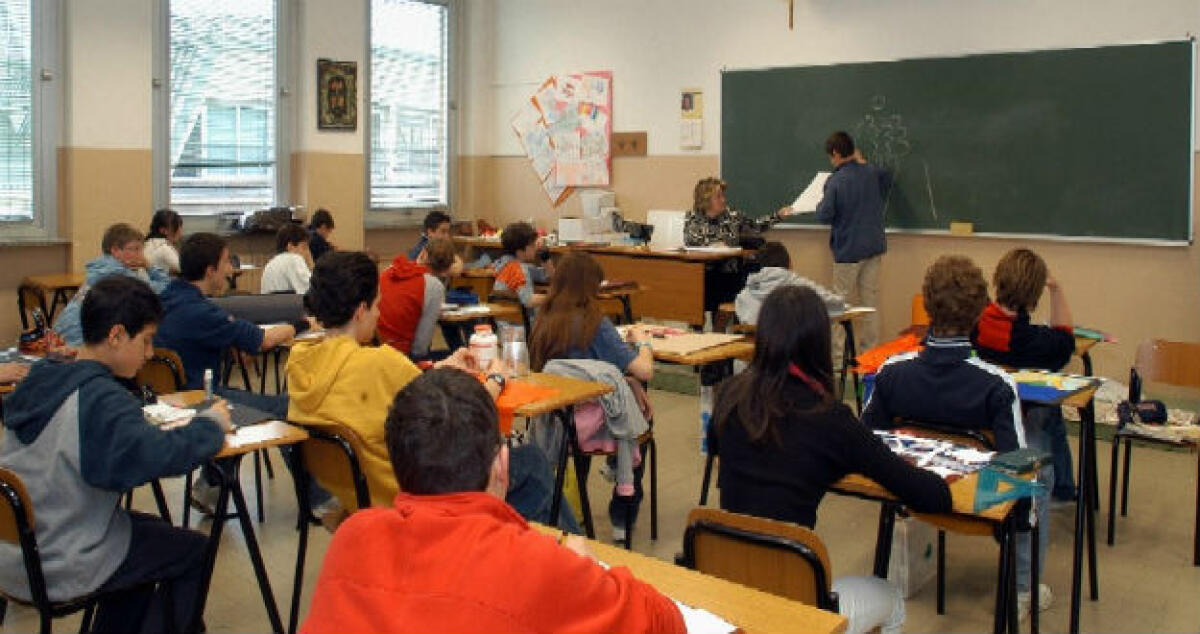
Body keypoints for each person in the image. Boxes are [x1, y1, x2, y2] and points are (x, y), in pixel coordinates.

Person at [301, 368, 685, 633]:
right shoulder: (536, 565)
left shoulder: (352, 538)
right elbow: (666, 622)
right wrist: (588, 573)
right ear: (503, 465)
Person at [711, 284, 951, 633]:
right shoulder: (830, 420)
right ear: (818, 344)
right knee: (890, 599)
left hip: (730, 596)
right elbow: (933, 497)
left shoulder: (731, 395)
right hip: (795, 609)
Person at [0, 275, 232, 632]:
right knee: (192, 551)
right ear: (116, 335)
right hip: (59, 558)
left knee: (150, 535)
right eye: (147, 341)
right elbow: (158, 457)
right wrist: (211, 426)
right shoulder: (101, 398)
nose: (150, 354)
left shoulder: (43, 375)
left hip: (14, 550)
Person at [288, 251, 577, 529]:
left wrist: (440, 368)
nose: (379, 314)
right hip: (414, 493)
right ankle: (570, 564)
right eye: (377, 306)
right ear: (361, 310)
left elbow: (398, 393)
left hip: (358, 498)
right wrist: (496, 381)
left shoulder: (300, 362)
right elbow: (457, 421)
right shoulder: (378, 363)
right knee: (531, 463)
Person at [860, 255, 1051, 618]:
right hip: (974, 505)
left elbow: (866, 441)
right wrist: (1021, 520)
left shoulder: (890, 374)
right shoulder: (997, 386)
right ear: (979, 313)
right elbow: (1015, 474)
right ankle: (1024, 588)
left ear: (928, 306)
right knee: (1040, 471)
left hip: (910, 494)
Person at [154, 233, 330, 517]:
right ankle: (319, 500)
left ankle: (210, 485)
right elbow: (264, 341)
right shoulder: (202, 312)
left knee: (242, 406)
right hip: (199, 401)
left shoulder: (165, 300)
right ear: (210, 270)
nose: (230, 269)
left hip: (166, 403)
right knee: (290, 405)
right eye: (225, 262)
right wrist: (299, 324)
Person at [529, 252, 654, 542]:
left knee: (625, 394)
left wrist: (626, 381)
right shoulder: (595, 323)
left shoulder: (543, 319)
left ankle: (578, 508)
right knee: (641, 422)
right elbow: (645, 370)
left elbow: (571, 372)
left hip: (556, 426)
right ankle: (622, 516)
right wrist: (643, 341)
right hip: (598, 427)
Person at [974, 247, 1078, 502]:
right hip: (1017, 418)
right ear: (1034, 296)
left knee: (1047, 411)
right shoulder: (1031, 342)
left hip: (982, 411)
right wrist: (1057, 289)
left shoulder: (975, 324)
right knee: (1049, 410)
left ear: (998, 279)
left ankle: (1064, 487)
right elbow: (1066, 339)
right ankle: (1062, 489)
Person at [815, 131, 892, 355]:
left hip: (848, 251)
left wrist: (821, 200)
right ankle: (871, 354)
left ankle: (838, 358)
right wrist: (863, 161)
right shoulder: (870, 172)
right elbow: (886, 177)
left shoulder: (835, 180)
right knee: (870, 303)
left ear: (837, 153)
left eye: (831, 156)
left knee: (839, 305)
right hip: (874, 246)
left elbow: (824, 215)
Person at [683, 177, 796, 323]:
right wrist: (712, 245)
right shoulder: (692, 218)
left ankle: (729, 329)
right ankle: (699, 327)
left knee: (738, 286)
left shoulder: (732, 216)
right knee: (695, 290)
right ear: (705, 200)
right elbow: (691, 240)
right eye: (718, 196)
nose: (724, 200)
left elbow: (755, 227)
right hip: (704, 274)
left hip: (731, 273)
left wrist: (778, 216)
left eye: (723, 195)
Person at [54, 223, 172, 347]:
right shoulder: (120, 277)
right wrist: (149, 266)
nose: (141, 254)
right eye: (135, 249)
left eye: (141, 249)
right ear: (115, 250)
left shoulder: (101, 269)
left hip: (61, 337)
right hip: (80, 344)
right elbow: (166, 288)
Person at [377, 238, 456, 359]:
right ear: (446, 270)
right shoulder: (434, 286)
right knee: (453, 354)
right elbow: (420, 347)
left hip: (374, 345)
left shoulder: (391, 270)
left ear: (423, 253)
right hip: (399, 355)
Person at [735, 241, 846, 325]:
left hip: (760, 351)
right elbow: (834, 304)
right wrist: (845, 305)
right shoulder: (802, 287)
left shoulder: (746, 293)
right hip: (795, 351)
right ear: (789, 263)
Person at [492, 221, 553, 308]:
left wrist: (545, 256)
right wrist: (553, 298)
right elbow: (529, 301)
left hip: (502, 319)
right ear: (520, 251)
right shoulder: (519, 269)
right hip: (518, 320)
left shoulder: (503, 263)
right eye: (532, 245)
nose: (535, 248)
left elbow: (548, 277)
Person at [260, 224, 314, 294]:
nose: (307, 252)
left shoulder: (270, 264)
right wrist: (311, 266)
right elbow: (313, 290)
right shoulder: (294, 259)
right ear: (290, 246)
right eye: (304, 247)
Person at [144, 208, 183, 275]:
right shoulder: (163, 247)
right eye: (178, 227)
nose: (180, 232)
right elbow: (186, 270)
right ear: (163, 230)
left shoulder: (148, 242)